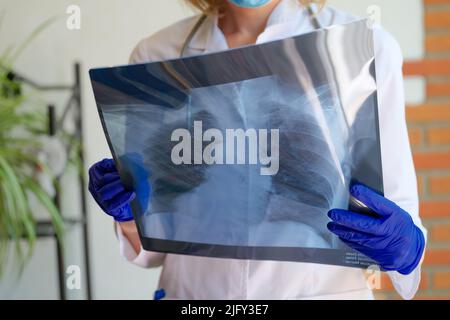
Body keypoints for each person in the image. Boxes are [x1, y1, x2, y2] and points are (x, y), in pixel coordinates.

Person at [88, 0, 426, 299]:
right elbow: (155, 246)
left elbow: (397, 205)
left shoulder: (362, 48)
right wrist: (131, 216)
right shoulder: (157, 55)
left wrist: (405, 249)